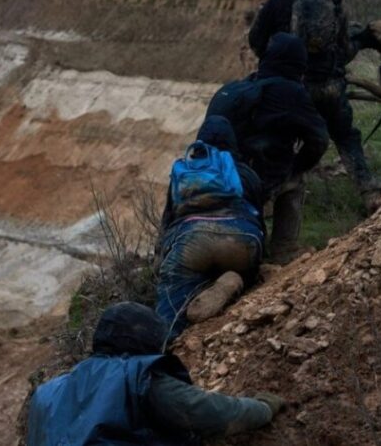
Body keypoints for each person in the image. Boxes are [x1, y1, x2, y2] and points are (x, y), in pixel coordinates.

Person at [27, 302, 283, 445]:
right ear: (147, 341)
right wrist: (263, 407)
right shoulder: (138, 376)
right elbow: (207, 412)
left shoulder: (46, 393)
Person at [247, 0, 381, 209]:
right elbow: (344, 52)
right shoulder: (335, 3)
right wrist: (361, 41)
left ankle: (269, 199)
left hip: (290, 88)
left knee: (280, 141)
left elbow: (256, 40)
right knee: (345, 136)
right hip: (330, 88)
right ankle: (370, 192)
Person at [207, 33, 329, 263]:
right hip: (254, 180)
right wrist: (294, 167)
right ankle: (283, 249)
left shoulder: (234, 88)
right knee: (296, 183)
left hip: (212, 177)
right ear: (298, 66)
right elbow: (319, 140)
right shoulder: (290, 93)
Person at [155, 116, 266, 342]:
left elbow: (168, 221)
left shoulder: (186, 172)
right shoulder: (246, 173)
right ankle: (236, 282)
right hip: (242, 239)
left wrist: (161, 261)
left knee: (173, 301)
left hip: (193, 240)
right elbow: (259, 218)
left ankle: (167, 344)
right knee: (249, 274)